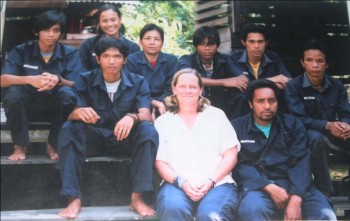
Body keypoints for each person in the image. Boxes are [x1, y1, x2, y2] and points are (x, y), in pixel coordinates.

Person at [57, 37, 158, 219]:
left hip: (123, 139)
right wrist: (79, 113)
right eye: (106, 56)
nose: (112, 61)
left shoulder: (138, 81)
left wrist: (131, 116)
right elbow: (72, 113)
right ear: (98, 59)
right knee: (69, 128)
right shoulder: (85, 79)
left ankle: (137, 197)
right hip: (93, 138)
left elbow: (146, 114)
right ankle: (73, 198)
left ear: (125, 60)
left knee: (148, 130)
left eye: (117, 56)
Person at [231, 79, 336, 221]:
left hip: (295, 183)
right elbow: (239, 165)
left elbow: (301, 161)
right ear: (251, 104)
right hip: (259, 186)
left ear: (277, 102)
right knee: (252, 209)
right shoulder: (237, 127)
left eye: (271, 100)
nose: (267, 106)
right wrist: (269, 187)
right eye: (260, 101)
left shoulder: (292, 124)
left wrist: (297, 197)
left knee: (324, 214)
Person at [155, 68, 241, 221]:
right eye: (182, 86)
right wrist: (182, 183)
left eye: (193, 87)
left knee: (211, 216)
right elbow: (160, 161)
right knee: (173, 208)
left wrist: (210, 181)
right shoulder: (163, 122)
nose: (187, 91)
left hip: (217, 184)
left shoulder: (216, 115)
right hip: (177, 185)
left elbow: (231, 155)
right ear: (174, 88)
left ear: (201, 90)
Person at [1, 10, 84, 161]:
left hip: (55, 108)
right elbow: (3, 79)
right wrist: (29, 79)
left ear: (61, 33)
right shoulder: (21, 50)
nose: (51, 34)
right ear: (36, 31)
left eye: (56, 30)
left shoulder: (70, 54)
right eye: (46, 29)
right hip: (25, 107)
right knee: (13, 94)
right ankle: (20, 146)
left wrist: (59, 80)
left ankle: (52, 144)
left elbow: (77, 83)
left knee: (68, 94)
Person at [285, 39, 350, 195]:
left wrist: (346, 126)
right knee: (315, 138)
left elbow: (345, 112)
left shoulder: (336, 85)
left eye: (320, 61)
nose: (315, 65)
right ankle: (325, 190)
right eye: (309, 60)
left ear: (326, 64)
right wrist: (328, 125)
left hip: (332, 131)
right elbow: (298, 118)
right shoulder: (293, 86)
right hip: (304, 133)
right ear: (302, 63)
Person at [179, 26, 249, 120]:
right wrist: (224, 82)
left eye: (211, 44)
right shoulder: (187, 60)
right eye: (202, 44)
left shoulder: (224, 59)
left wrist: (237, 80)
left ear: (217, 45)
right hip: (196, 105)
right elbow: (190, 79)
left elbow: (242, 78)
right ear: (196, 46)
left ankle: (235, 126)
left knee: (240, 93)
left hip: (222, 105)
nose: (207, 48)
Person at [231, 23, 291, 112]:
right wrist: (271, 80)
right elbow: (241, 85)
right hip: (243, 108)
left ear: (266, 43)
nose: (256, 46)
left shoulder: (274, 58)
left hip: (268, 106)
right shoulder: (233, 59)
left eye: (260, 42)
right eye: (251, 42)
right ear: (244, 42)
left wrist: (252, 84)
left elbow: (288, 82)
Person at [124, 23, 179, 121]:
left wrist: (160, 103)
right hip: (138, 106)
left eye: (157, 39)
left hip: (166, 104)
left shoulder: (171, 60)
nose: (152, 42)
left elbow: (171, 87)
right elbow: (132, 89)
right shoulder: (131, 60)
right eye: (148, 38)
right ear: (140, 42)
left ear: (162, 42)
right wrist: (153, 103)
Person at [79, 3, 140, 70]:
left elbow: (135, 75)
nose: (110, 24)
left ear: (120, 20)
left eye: (113, 20)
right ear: (99, 23)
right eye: (105, 21)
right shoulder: (87, 45)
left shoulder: (133, 48)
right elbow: (81, 72)